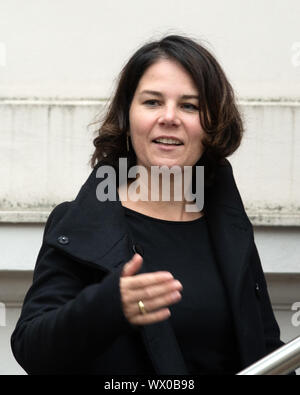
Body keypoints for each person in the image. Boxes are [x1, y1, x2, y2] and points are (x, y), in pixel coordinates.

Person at [11, 34, 290, 375]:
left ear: (212, 125)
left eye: (189, 105)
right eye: (153, 102)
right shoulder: (81, 223)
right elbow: (32, 349)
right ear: (127, 118)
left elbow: (264, 350)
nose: (169, 117)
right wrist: (109, 305)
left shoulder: (230, 230)